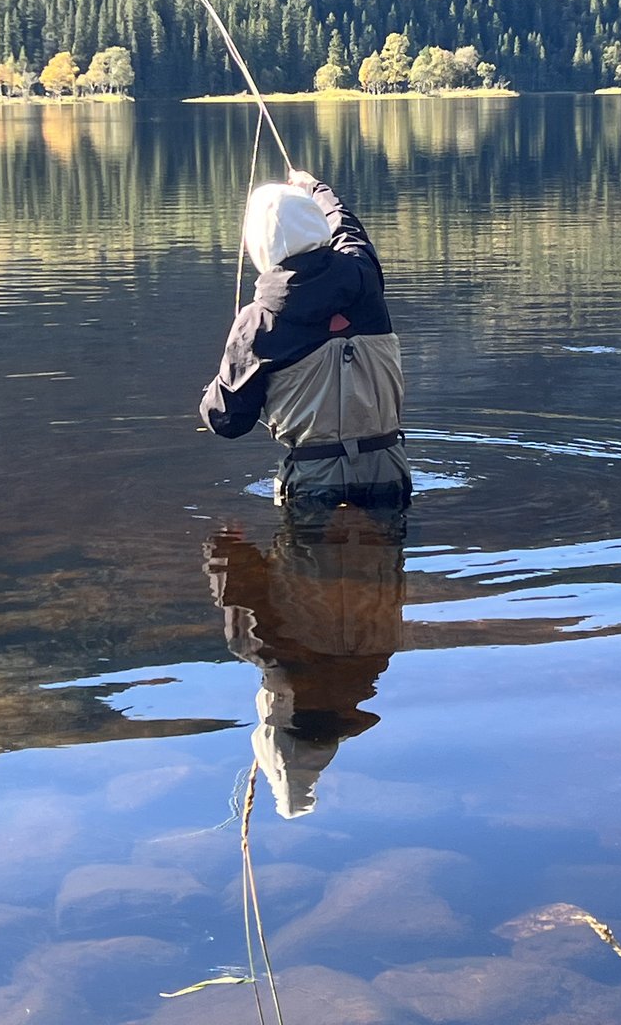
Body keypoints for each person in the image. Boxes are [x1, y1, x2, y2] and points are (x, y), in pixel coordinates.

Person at [200, 170, 409, 505]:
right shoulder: (365, 279)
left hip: (312, 483)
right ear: (317, 226)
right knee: (382, 558)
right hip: (389, 471)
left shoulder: (257, 322)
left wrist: (217, 388)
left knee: (306, 557)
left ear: (258, 245)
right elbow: (347, 228)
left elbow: (228, 421)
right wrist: (315, 189)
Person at [204, 500, 407, 817]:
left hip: (383, 498)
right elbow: (233, 571)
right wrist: (224, 541)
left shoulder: (376, 661)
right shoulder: (259, 648)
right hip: (321, 497)